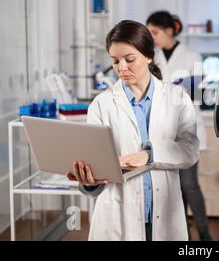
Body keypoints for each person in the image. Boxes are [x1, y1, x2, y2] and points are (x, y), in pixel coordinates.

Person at [67, 20, 199, 241]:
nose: (121, 68)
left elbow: (189, 150)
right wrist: (89, 182)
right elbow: (96, 163)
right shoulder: (101, 104)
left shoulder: (177, 98)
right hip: (116, 215)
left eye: (129, 59)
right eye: (115, 61)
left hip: (164, 212)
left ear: (148, 55)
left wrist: (148, 155)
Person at [146, 11, 212, 241]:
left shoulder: (191, 55)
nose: (151, 37)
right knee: (173, 188)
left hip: (186, 126)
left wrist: (178, 87)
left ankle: (205, 235)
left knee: (189, 184)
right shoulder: (151, 56)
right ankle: (183, 236)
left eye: (154, 32)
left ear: (169, 30)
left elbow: (196, 89)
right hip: (162, 128)